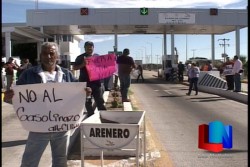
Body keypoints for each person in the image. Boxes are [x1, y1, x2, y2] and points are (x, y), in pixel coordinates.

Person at [4, 42, 79, 167]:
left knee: (60, 161)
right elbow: (17, 97)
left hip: (61, 127)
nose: (48, 56)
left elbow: (77, 93)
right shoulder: (29, 74)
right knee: (29, 162)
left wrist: (85, 92)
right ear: (40, 56)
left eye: (51, 53)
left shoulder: (67, 74)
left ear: (57, 56)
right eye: (45, 53)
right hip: (38, 127)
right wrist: (9, 97)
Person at [73, 41, 107, 117]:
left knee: (100, 101)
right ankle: (91, 116)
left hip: (96, 83)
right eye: (87, 47)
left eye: (91, 47)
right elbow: (74, 67)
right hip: (86, 84)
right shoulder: (80, 57)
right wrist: (83, 64)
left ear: (93, 48)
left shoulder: (97, 57)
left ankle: (105, 117)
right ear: (84, 48)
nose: (89, 49)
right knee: (88, 102)